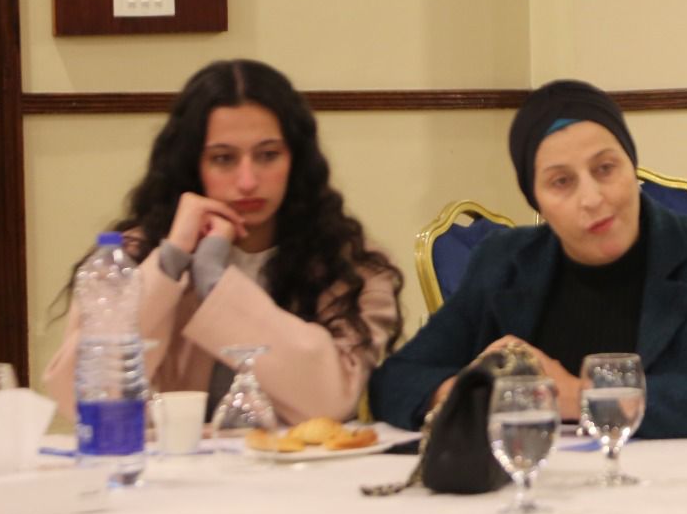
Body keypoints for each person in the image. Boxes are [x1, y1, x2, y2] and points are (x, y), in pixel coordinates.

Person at [369, 79, 687, 438]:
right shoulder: (504, 262)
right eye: (561, 182)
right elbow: (396, 380)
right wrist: (471, 392)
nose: (591, 198)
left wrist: (577, 398)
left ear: (632, 166)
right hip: (539, 491)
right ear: (536, 200)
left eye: (605, 169)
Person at [44, 59, 419, 425]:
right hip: (169, 464)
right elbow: (80, 399)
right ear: (192, 165)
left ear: (296, 161)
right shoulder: (128, 258)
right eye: (223, 159)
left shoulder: (351, 264)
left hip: (292, 465)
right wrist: (170, 261)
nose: (247, 181)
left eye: (268, 156)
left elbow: (330, 403)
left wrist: (214, 281)